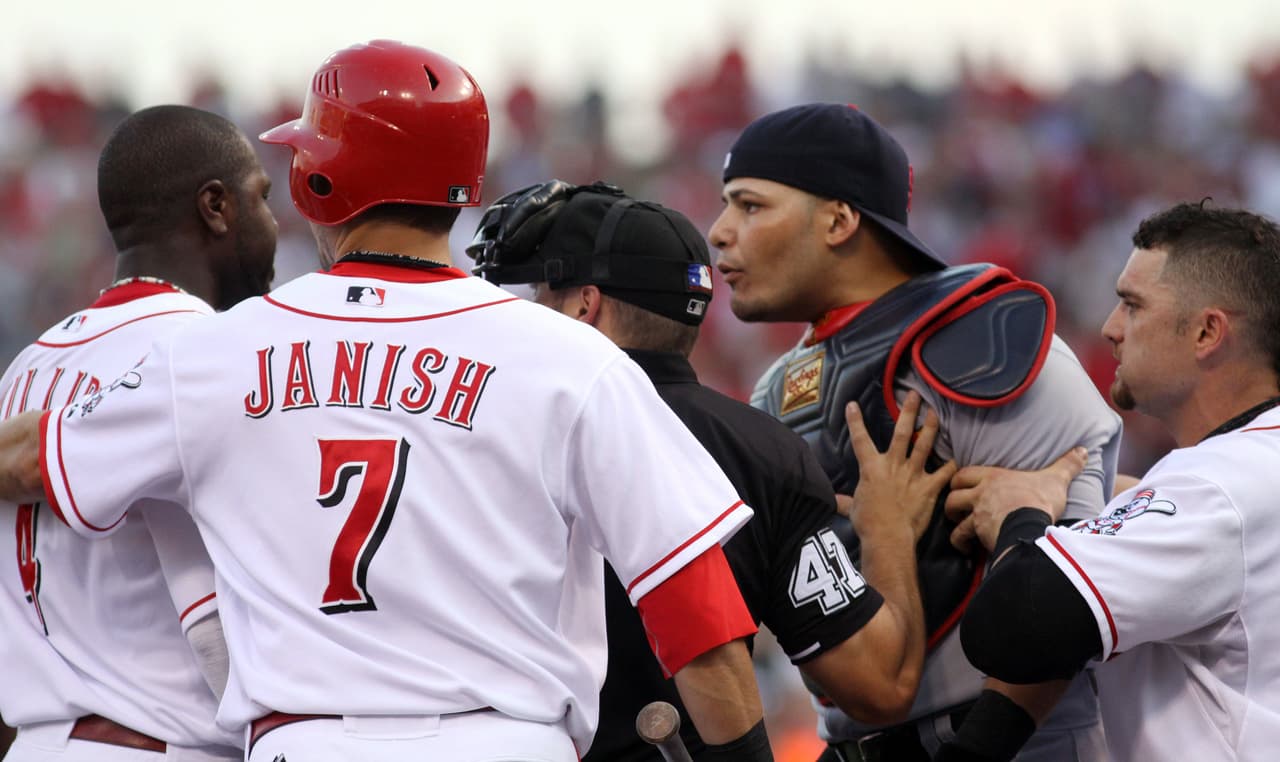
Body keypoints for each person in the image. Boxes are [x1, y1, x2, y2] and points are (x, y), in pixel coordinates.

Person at [0, 41, 773, 762]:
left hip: (304, 743)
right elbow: (698, 616)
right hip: (505, 743)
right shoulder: (571, 358)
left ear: (318, 180)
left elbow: (27, 458)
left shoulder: (211, 354)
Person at [467, 180, 957, 760]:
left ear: (585, 306)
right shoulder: (761, 452)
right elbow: (879, 687)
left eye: (546, 293)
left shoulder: (483, 427)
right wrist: (889, 534)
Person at [708, 102, 1122, 761]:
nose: (721, 232)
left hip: (1010, 742)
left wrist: (979, 748)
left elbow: (1071, 589)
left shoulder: (985, 337)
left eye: (750, 205)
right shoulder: (777, 386)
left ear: (840, 219)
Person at [947, 201, 1280, 761]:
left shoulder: (1223, 484)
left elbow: (1010, 627)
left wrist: (1022, 515)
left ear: (1207, 331)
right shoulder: (1246, 473)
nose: (1110, 328)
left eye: (1132, 305)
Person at [0, 105, 277, 761]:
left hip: (38, 742)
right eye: (261, 198)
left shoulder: (26, 368)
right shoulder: (201, 354)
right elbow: (208, 614)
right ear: (216, 207)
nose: (272, 222)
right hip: (162, 744)